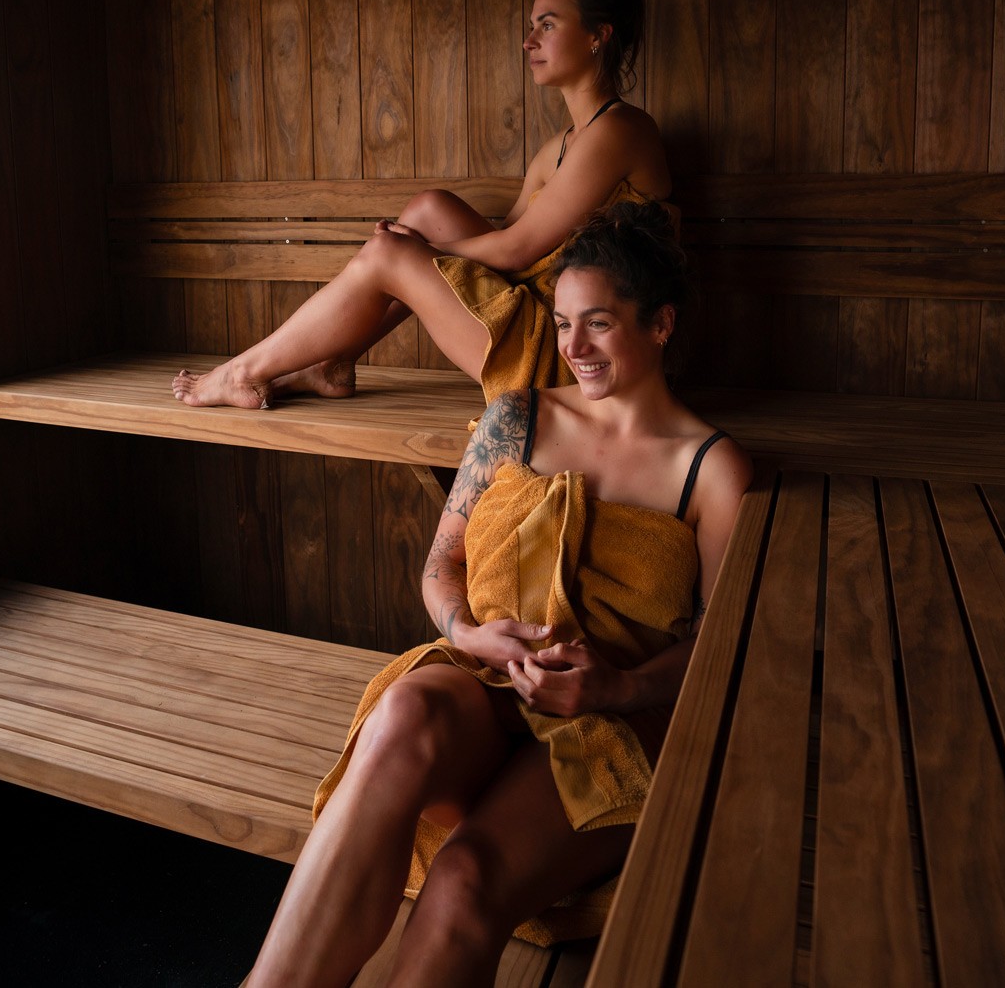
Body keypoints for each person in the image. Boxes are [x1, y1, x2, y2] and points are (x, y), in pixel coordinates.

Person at [244, 202, 752, 986]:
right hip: (490, 678)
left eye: (599, 325)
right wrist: (470, 634)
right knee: (404, 709)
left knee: (464, 880)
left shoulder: (711, 472)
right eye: (560, 324)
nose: (572, 348)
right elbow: (440, 566)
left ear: (660, 325)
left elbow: (722, 650)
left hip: (614, 720)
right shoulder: (515, 418)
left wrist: (616, 684)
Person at [171, 0, 672, 409]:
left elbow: (518, 250)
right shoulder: (558, 148)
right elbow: (509, 252)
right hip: (538, 314)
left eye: (547, 24)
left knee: (390, 252)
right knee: (430, 208)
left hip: (574, 354)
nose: (529, 41)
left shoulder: (620, 130)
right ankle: (333, 362)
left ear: (597, 36)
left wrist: (416, 253)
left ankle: (244, 371)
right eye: (530, 26)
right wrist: (425, 248)